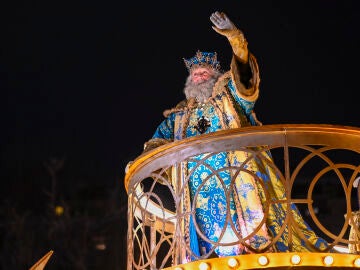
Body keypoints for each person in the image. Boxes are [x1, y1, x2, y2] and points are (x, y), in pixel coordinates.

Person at [133, 11, 330, 260]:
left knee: (248, 243)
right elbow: (157, 143)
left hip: (236, 184)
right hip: (197, 192)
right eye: (194, 74)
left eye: (204, 72)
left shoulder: (229, 99)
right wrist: (142, 162)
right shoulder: (179, 116)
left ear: (215, 76)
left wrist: (236, 39)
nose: (198, 76)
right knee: (206, 251)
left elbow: (246, 82)